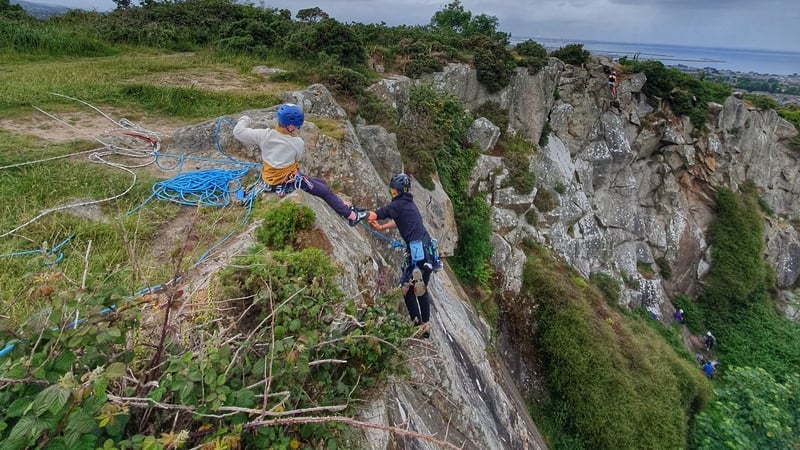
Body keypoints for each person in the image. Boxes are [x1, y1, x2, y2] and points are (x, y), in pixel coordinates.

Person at [233, 103, 368, 226]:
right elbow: (297, 158)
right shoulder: (297, 143)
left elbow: (238, 132)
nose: (298, 128)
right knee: (324, 191)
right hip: (285, 180)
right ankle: (352, 215)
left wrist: (245, 119)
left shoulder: (263, 135)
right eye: (298, 126)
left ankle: (341, 204)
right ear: (291, 127)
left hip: (269, 179)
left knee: (320, 182)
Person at [366, 173, 440, 338]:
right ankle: (425, 326)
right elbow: (400, 219)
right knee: (420, 290)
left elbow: (381, 212)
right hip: (426, 250)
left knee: (408, 291)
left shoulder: (398, 205)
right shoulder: (409, 204)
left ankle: (417, 326)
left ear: (395, 191)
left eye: (392, 192)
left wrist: (360, 214)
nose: (392, 194)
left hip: (417, 254)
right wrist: (382, 227)